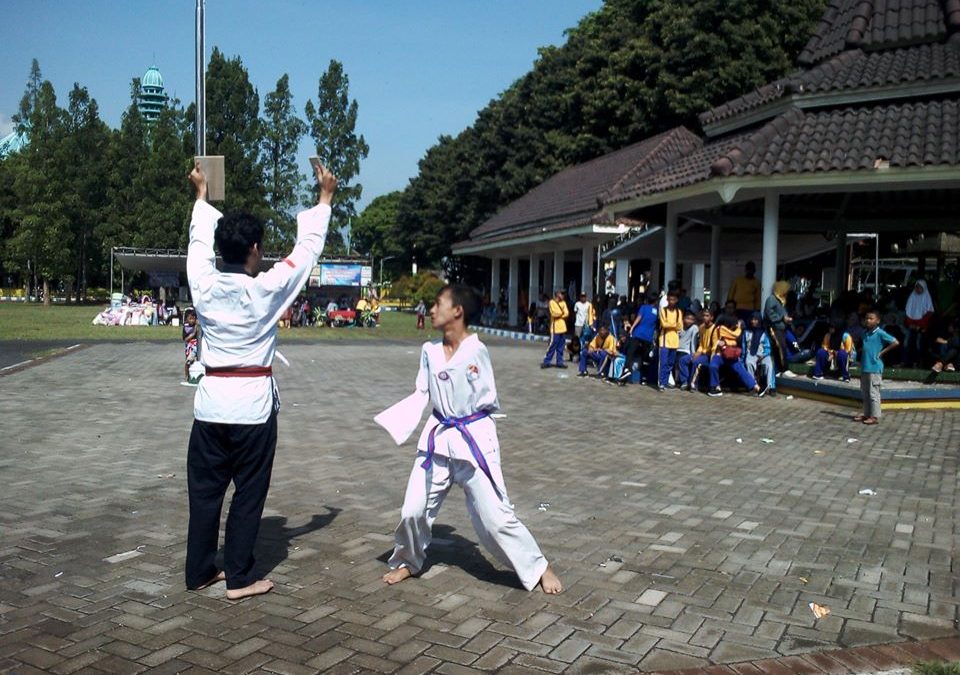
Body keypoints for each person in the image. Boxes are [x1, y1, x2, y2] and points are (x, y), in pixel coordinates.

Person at [184, 159, 336, 599]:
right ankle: (240, 576)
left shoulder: (204, 283)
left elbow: (197, 243)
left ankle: (198, 571)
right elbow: (305, 252)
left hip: (211, 404)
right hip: (251, 407)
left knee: (205, 494)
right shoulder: (265, 288)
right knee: (248, 493)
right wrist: (324, 198)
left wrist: (202, 196)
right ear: (253, 248)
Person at [375, 285, 562, 594]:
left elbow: (488, 401)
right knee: (412, 509)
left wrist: (470, 424)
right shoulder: (429, 351)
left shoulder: (477, 351)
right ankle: (408, 559)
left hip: (473, 440)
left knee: (494, 519)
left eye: (438, 304)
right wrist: (396, 421)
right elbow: (421, 392)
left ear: (457, 311)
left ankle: (539, 566)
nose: (432, 310)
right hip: (438, 438)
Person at [855, 309, 899, 425]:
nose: (868, 320)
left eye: (871, 318)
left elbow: (895, 342)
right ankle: (866, 413)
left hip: (875, 367)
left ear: (878, 321)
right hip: (865, 366)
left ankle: (874, 416)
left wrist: (882, 352)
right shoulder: (865, 333)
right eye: (867, 318)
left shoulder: (880, 333)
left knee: (873, 392)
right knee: (865, 392)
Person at [708, 314, 760, 397]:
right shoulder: (721, 328)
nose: (735, 324)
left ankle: (754, 386)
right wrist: (739, 327)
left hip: (728, 354)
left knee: (739, 368)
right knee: (713, 366)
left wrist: (726, 343)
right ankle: (714, 387)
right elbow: (734, 335)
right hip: (719, 354)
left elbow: (734, 342)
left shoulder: (728, 330)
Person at [619, 292, 658, 384]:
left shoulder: (643, 307)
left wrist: (632, 328)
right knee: (645, 357)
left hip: (638, 333)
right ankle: (644, 377)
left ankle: (627, 369)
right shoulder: (657, 311)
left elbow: (639, 318)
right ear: (656, 301)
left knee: (630, 353)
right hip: (648, 336)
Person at [678, 308, 718, 391]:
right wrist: (698, 352)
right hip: (701, 352)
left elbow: (714, 347)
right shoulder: (702, 328)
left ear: (712, 317)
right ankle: (684, 382)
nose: (704, 317)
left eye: (707, 316)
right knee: (683, 360)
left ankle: (693, 384)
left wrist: (704, 354)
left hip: (709, 355)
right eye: (703, 315)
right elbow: (701, 344)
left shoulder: (715, 329)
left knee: (696, 362)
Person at [764, 280, 796, 378]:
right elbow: (769, 313)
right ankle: (783, 369)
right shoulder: (771, 299)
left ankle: (780, 370)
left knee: (781, 348)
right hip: (775, 328)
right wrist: (782, 318)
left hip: (782, 328)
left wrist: (787, 319)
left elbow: (782, 312)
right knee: (780, 348)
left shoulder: (781, 300)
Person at [742, 312, 775, 396]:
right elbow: (744, 347)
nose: (753, 321)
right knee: (748, 363)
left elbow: (768, 347)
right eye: (752, 319)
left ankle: (770, 387)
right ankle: (752, 385)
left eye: (756, 320)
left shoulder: (764, 332)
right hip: (751, 353)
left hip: (763, 354)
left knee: (769, 365)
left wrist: (763, 355)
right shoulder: (746, 332)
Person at [903, 279, 935, 367]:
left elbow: (929, 313)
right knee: (907, 343)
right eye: (916, 287)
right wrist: (911, 324)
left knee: (919, 345)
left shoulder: (927, 299)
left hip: (922, 328)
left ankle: (919, 363)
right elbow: (908, 313)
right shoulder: (912, 297)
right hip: (911, 327)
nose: (917, 289)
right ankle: (907, 362)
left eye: (920, 287)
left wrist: (919, 326)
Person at [656, 290, 683, 391]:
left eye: (674, 300)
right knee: (663, 362)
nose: (672, 301)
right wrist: (674, 325)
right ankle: (662, 383)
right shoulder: (663, 310)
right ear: (667, 300)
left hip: (674, 341)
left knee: (670, 363)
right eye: (670, 299)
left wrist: (671, 325)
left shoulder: (678, 312)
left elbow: (680, 326)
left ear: (676, 300)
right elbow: (664, 324)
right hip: (664, 340)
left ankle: (666, 381)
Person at [541, 290, 570, 368]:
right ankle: (546, 361)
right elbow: (554, 313)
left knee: (561, 346)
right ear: (557, 295)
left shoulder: (563, 303)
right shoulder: (552, 302)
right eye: (562, 294)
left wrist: (560, 314)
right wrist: (561, 314)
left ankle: (559, 362)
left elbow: (567, 313)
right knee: (552, 345)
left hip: (562, 327)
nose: (563, 295)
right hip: (555, 328)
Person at [182, 308, 201, 383]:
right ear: (186, 319)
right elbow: (185, 339)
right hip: (190, 349)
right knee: (188, 362)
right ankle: (187, 376)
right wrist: (193, 333)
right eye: (190, 319)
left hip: (197, 348)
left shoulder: (197, 326)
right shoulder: (186, 328)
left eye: (193, 318)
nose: (192, 320)